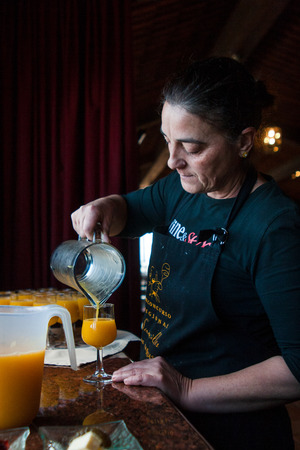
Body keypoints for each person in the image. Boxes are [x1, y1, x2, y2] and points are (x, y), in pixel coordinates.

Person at [71, 57, 300, 449]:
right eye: (166, 140)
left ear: (244, 141)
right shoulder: (180, 189)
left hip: (235, 432)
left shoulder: (275, 227)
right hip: (165, 408)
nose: (174, 160)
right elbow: (129, 210)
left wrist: (187, 387)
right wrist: (103, 206)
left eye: (191, 147)